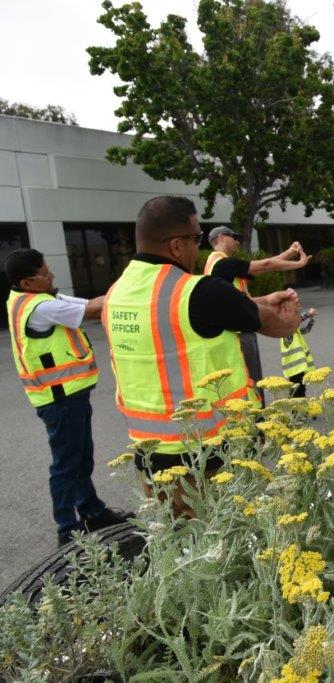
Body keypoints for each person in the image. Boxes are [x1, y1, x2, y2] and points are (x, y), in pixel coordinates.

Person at [104, 196, 300, 515]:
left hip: (150, 455)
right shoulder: (196, 291)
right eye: (197, 239)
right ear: (177, 246)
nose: (201, 248)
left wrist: (262, 300)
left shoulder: (117, 294)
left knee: (181, 552)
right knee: (224, 549)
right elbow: (265, 322)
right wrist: (290, 321)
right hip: (206, 456)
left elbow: (230, 309)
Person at [4, 249, 132, 547]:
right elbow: (94, 309)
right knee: (65, 464)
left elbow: (86, 303)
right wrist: (128, 286)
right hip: (59, 399)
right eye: (46, 274)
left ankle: (92, 511)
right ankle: (67, 529)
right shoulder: (39, 307)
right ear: (27, 282)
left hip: (67, 395)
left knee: (80, 457)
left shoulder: (34, 299)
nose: (52, 276)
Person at [204, 226, 310, 400]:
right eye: (235, 236)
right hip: (241, 334)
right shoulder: (223, 263)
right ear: (222, 237)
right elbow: (265, 265)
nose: (238, 241)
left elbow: (243, 298)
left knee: (243, 380)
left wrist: (269, 299)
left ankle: (252, 417)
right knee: (251, 380)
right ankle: (258, 420)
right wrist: (298, 263)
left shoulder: (217, 266)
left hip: (231, 334)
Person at [281, 308, 317, 398]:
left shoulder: (294, 330)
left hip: (300, 368)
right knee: (297, 391)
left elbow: (306, 330)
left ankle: (300, 410)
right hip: (294, 369)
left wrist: (311, 320)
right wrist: (308, 314)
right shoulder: (286, 332)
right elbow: (294, 323)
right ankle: (297, 411)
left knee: (301, 389)